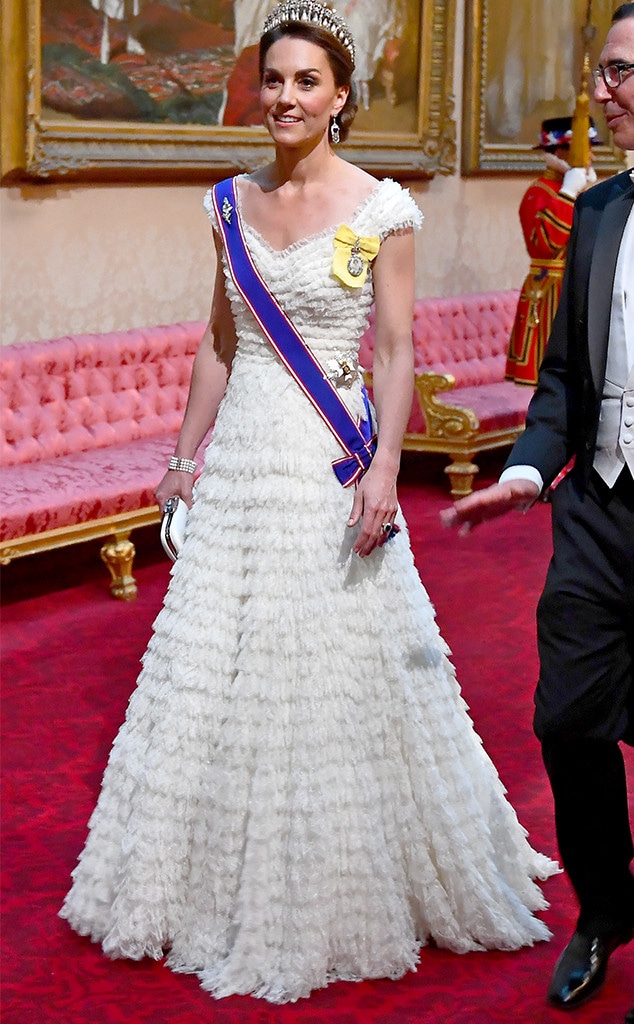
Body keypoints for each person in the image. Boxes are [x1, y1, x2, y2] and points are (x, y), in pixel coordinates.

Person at [60, 0, 558, 1004]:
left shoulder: (383, 208)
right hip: (242, 459)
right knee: (217, 662)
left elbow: (396, 349)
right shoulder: (226, 203)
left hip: (329, 458)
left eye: (306, 83)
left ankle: (336, 881)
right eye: (273, 80)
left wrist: (384, 469)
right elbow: (218, 339)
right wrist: (181, 456)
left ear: (340, 99)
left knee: (327, 657)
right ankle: (205, 876)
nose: (285, 98)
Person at [442, 3, 634, 1012]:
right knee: (566, 719)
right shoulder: (596, 212)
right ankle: (605, 908)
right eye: (603, 73)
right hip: (596, 511)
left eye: (621, 74)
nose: (603, 95)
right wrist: (525, 470)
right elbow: (563, 378)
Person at [505, 116, 598, 387]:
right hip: (550, 293)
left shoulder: (582, 191)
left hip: (578, 284)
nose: (590, 155)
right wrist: (567, 194)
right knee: (551, 378)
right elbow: (544, 244)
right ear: (560, 152)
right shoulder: (540, 193)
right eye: (583, 148)